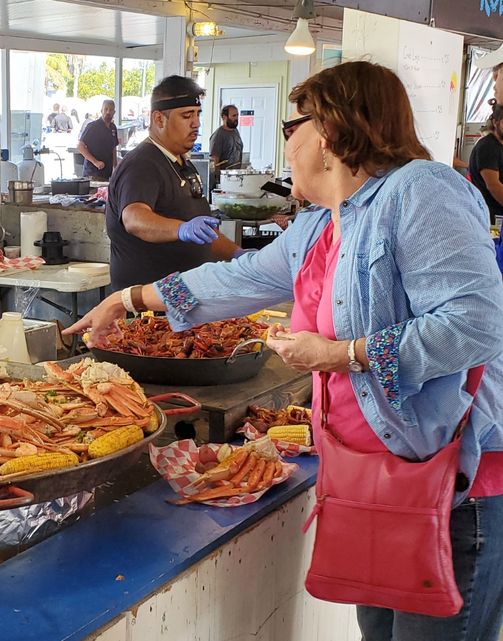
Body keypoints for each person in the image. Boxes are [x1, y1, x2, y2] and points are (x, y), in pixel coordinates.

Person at [67, 61, 503, 641]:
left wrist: (342, 354)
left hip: (449, 487)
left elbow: (476, 324)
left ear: (328, 132)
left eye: (290, 129)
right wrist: (128, 299)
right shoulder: (323, 223)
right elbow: (239, 278)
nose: (286, 146)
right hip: (370, 480)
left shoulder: (421, 190)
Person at [105, 75, 242, 292]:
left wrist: (238, 255)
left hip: (186, 296)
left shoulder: (181, 163)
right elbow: (134, 218)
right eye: (187, 116)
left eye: (197, 114)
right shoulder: (143, 164)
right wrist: (181, 229)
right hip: (149, 304)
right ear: (159, 119)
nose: (196, 123)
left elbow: (203, 234)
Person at [469, 105, 503, 225]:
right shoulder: (488, 147)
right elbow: (493, 186)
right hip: (492, 219)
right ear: (495, 122)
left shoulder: (499, 146)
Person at [77, 99, 118, 180]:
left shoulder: (113, 127)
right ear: (101, 111)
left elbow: (113, 148)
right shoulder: (93, 126)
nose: (108, 112)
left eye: (110, 110)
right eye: (106, 109)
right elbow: (80, 146)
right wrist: (95, 162)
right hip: (93, 173)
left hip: (107, 174)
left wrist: (116, 167)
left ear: (114, 112)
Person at [209, 104, 243, 184]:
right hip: (225, 180)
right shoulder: (218, 135)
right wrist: (219, 182)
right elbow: (214, 161)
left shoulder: (235, 132)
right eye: (233, 116)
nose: (236, 118)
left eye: (237, 115)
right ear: (224, 117)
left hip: (236, 178)